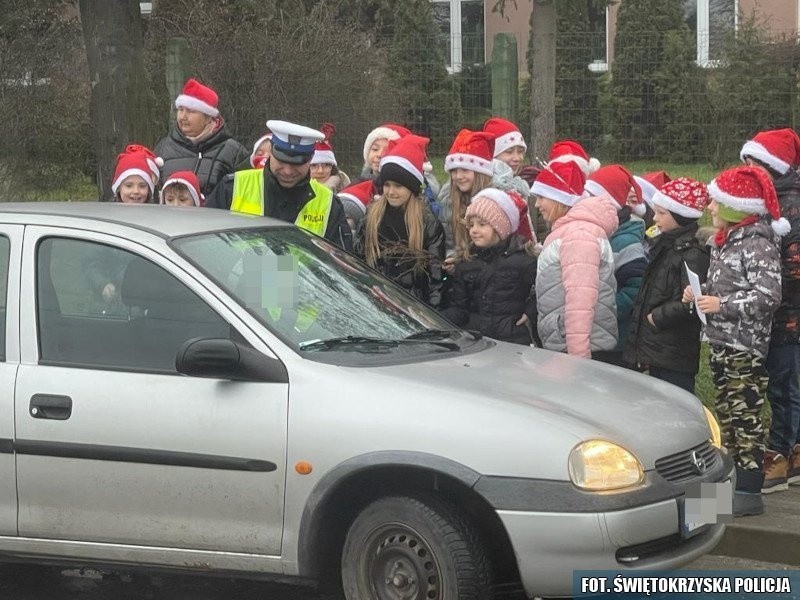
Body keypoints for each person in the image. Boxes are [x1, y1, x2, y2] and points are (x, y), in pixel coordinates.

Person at [683, 165, 788, 516]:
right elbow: (730, 286)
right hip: (720, 340)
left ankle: (747, 491)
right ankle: (724, 492)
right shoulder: (727, 241)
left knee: (746, 418)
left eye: (716, 202)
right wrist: (699, 295)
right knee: (726, 415)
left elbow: (768, 296)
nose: (710, 207)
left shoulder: (758, 242)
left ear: (736, 206)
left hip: (745, 345)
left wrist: (722, 304)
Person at [740, 128, 800, 492]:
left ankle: (779, 455)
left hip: (786, 314)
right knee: (781, 383)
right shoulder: (771, 199)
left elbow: (793, 266)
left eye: (751, 162)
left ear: (769, 166)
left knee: (783, 384)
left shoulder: (789, 204)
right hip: (775, 313)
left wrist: (757, 277)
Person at [205, 120, 353, 251]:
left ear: (311, 159)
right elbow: (204, 244)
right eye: (281, 161)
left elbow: (341, 265)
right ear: (271, 152)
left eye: (297, 164)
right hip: (229, 282)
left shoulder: (329, 203)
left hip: (303, 282)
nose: (288, 171)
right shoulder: (231, 187)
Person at [624, 178, 711, 392]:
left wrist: (657, 316)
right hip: (655, 350)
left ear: (680, 216)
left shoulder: (691, 254)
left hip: (673, 354)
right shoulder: (665, 245)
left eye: (662, 213)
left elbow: (694, 302)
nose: (655, 218)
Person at [533, 161, 618, 358]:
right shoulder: (570, 231)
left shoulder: (578, 234)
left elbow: (580, 298)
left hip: (579, 350)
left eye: (541, 197)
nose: (537, 204)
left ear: (559, 198)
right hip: (569, 343)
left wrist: (579, 357)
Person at [357, 134, 446, 308]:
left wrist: (433, 310)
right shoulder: (372, 216)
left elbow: (435, 276)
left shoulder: (426, 222)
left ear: (412, 187)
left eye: (398, 186)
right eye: (387, 185)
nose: (391, 192)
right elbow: (358, 258)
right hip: (375, 302)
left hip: (415, 305)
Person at [440, 188, 537, 345]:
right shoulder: (467, 262)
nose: (474, 231)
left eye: (482, 224)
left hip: (513, 341)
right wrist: (436, 319)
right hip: (477, 342)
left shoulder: (522, 259)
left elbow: (544, 291)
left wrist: (531, 311)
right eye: (471, 225)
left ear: (500, 227)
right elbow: (460, 308)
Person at [585, 165, 647, 366]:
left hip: (615, 340)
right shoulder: (600, 233)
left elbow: (635, 289)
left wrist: (603, 311)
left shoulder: (626, 242)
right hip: (598, 333)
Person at [154, 78, 248, 196]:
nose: (183, 116)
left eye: (191, 111)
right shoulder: (163, 147)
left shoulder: (233, 151)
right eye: (181, 110)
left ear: (208, 117)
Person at [483, 117, 548, 243]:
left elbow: (540, 229)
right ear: (493, 155)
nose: (517, 158)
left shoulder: (525, 184)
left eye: (520, 151)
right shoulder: (486, 187)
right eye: (509, 152)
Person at [360, 123, 441, 212]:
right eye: (375, 149)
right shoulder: (360, 184)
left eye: (387, 149)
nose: (379, 154)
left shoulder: (422, 192)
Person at [310, 123, 350, 194]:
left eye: (326, 165)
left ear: (333, 168)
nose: (320, 171)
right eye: (314, 165)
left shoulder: (347, 193)